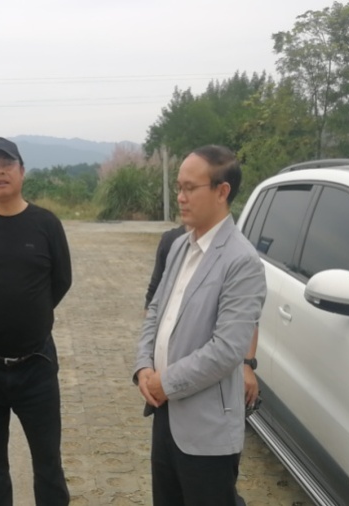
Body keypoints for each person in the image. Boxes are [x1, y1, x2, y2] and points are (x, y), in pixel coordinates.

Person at [133, 145, 266, 506]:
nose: (181, 197)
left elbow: (227, 350)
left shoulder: (242, 261)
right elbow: (156, 310)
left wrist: (165, 382)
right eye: (179, 187)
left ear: (222, 192)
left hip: (207, 430)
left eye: (190, 188)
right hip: (165, 413)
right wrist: (143, 366)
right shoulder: (179, 245)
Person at [0, 137, 72, 506]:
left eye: (7, 164)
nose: (0, 171)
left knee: (48, 466)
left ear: (22, 172)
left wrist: (30, 315)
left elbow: (61, 281)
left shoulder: (46, 224)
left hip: (36, 365)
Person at [145, 226, 261, 413]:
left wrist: (247, 365)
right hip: (161, 401)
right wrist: (144, 364)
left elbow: (234, 339)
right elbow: (154, 305)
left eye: (190, 194)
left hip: (204, 410)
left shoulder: (240, 257)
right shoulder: (175, 243)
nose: (182, 202)